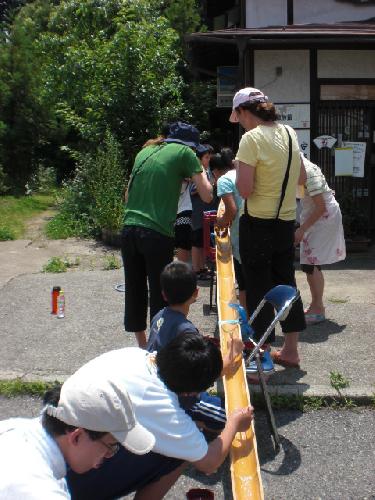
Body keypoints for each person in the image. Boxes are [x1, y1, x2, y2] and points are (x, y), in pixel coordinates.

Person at [67, 334, 253, 500]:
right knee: (179, 452)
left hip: (59, 445)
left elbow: (185, 374)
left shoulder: (136, 356)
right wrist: (234, 423)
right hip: (72, 480)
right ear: (190, 392)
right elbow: (209, 462)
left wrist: (223, 364)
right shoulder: (162, 406)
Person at [230, 87, 306, 369]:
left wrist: (240, 169)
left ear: (244, 112)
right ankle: (290, 351)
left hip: (258, 223)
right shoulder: (289, 132)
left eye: (238, 115)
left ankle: (260, 356)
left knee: (258, 286)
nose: (239, 122)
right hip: (285, 222)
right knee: (287, 283)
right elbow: (300, 175)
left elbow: (246, 190)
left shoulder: (251, 140)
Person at [122, 121, 213, 348]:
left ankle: (143, 347)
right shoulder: (185, 153)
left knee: (134, 289)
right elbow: (208, 195)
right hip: (156, 233)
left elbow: (127, 196)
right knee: (161, 293)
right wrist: (196, 172)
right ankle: (158, 348)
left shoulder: (145, 151)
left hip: (129, 229)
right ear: (190, 145)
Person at [0, 369, 154, 499]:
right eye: (111, 447)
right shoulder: (39, 490)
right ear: (76, 436)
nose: (109, 455)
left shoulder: (16, 428)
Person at [295, 154, 346, 324]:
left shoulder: (308, 171)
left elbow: (321, 206)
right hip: (315, 215)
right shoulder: (301, 167)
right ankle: (316, 305)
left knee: (311, 262)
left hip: (323, 217)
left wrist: (302, 229)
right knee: (309, 263)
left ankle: (318, 308)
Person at [214, 149, 247, 311]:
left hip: (241, 236)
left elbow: (231, 211)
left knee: (244, 285)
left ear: (215, 171)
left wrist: (220, 221)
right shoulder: (244, 173)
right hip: (258, 228)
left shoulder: (224, 180)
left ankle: (248, 321)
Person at [191, 144, 216, 278]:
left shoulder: (206, 170)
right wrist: (207, 187)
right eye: (206, 157)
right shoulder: (198, 170)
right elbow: (193, 190)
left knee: (202, 240)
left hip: (204, 212)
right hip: (197, 212)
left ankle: (202, 267)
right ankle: (196, 269)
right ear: (200, 158)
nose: (208, 160)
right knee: (197, 241)